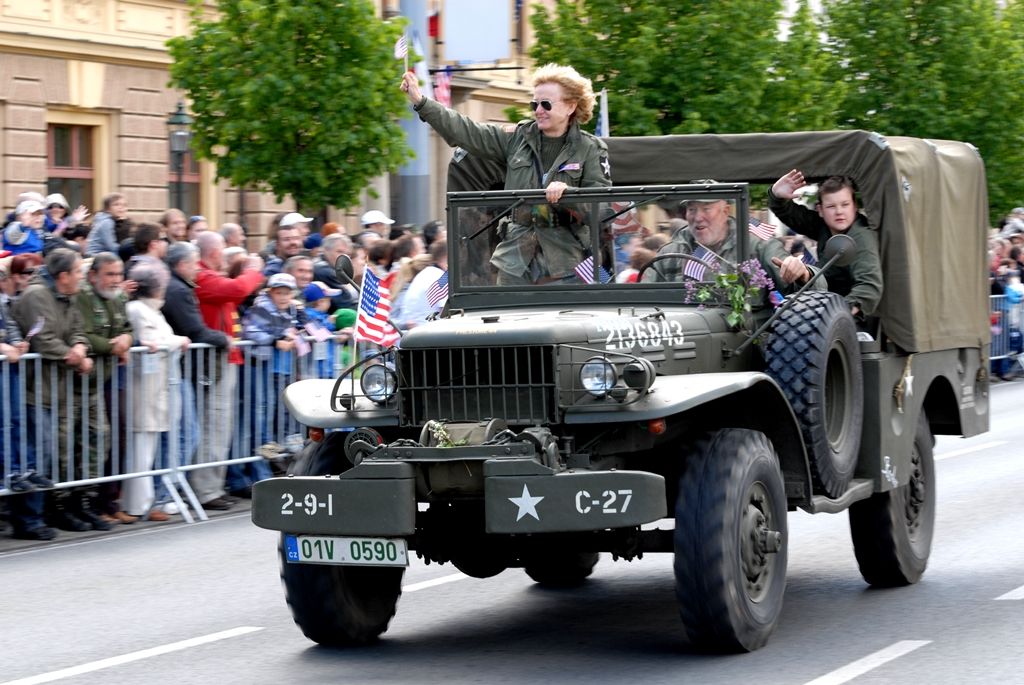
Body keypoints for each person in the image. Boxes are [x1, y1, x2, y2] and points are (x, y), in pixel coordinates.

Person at [402, 62, 611, 285]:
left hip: (566, 260)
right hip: (516, 259)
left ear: (571, 106)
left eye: (546, 104)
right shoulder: (516, 139)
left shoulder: (590, 149)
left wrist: (570, 194)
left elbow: (603, 210)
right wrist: (421, 102)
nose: (538, 110)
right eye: (535, 104)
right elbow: (467, 131)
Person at [12, 248, 106, 532]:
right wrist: (73, 354)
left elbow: (78, 329)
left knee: (52, 452)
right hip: (33, 389)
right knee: (37, 455)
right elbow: (43, 340)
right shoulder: (36, 296)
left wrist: (79, 346)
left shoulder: (70, 296)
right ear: (63, 275)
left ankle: (52, 511)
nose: (81, 278)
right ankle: (29, 519)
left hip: (58, 388)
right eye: (78, 272)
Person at [192, 232, 265, 510]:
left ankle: (214, 484)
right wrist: (251, 271)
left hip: (226, 358)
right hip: (217, 360)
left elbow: (233, 295)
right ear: (213, 252)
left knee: (221, 425)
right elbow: (236, 290)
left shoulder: (210, 275)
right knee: (214, 425)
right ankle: (206, 489)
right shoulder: (203, 276)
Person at [647, 191, 822, 295]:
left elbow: (811, 290)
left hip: (747, 345)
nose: (697, 217)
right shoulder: (670, 253)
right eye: (692, 209)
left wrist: (803, 274)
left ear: (725, 211)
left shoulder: (757, 247)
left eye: (706, 209)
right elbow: (643, 297)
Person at [124, 258, 190, 520]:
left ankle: (145, 501)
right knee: (141, 447)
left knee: (148, 446)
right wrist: (178, 341)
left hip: (157, 385)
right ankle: (137, 504)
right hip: (144, 387)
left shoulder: (153, 310)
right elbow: (154, 341)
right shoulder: (138, 310)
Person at [769, 170, 883, 319]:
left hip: (849, 321)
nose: (839, 212)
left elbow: (869, 286)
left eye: (845, 204)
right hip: (825, 307)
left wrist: (833, 316)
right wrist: (776, 196)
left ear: (854, 206)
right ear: (820, 210)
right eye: (831, 206)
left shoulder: (860, 237)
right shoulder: (825, 226)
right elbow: (793, 215)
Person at [76, 253, 137, 525]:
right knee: (94, 440)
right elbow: (84, 335)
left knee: (118, 435)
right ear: (93, 275)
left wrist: (126, 338)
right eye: (109, 274)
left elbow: (127, 327)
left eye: (118, 274)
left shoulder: (119, 298)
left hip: (111, 376)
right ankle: (90, 501)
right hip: (85, 381)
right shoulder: (84, 297)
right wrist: (113, 347)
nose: (115, 280)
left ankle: (109, 500)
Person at [241, 272, 309, 464]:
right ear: (271, 292)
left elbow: (306, 327)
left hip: (283, 367)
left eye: (287, 293)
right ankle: (265, 444)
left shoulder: (291, 309)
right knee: (264, 406)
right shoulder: (260, 308)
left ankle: (278, 445)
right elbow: (252, 331)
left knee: (281, 405)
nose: (283, 297)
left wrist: (300, 314)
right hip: (262, 365)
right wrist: (276, 340)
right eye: (279, 293)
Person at [393, 240, 448, 329]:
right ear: (447, 257)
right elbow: (448, 314)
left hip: (420, 333)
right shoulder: (441, 278)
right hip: (428, 334)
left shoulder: (427, 273)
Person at [313, 233, 357, 311]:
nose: (344, 257)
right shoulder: (323, 270)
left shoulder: (336, 269)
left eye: (348, 254)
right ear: (326, 250)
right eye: (339, 252)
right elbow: (345, 301)